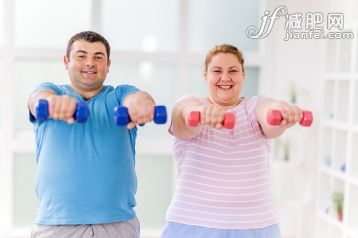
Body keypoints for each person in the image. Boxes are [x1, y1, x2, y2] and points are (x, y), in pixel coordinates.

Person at [162, 44, 305, 238]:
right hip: (193, 223)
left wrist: (281, 111)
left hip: (256, 225)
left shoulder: (254, 107)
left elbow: (270, 116)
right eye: (217, 71)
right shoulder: (190, 103)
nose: (225, 77)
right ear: (205, 75)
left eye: (233, 71)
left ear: (243, 75)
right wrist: (203, 113)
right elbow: (185, 116)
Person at [28, 31, 156, 238]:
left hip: (117, 224)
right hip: (56, 225)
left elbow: (139, 98)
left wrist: (141, 105)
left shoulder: (120, 94)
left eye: (98, 57)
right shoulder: (52, 91)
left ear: (108, 64)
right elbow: (37, 100)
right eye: (81, 56)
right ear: (66, 61)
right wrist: (53, 104)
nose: (90, 63)